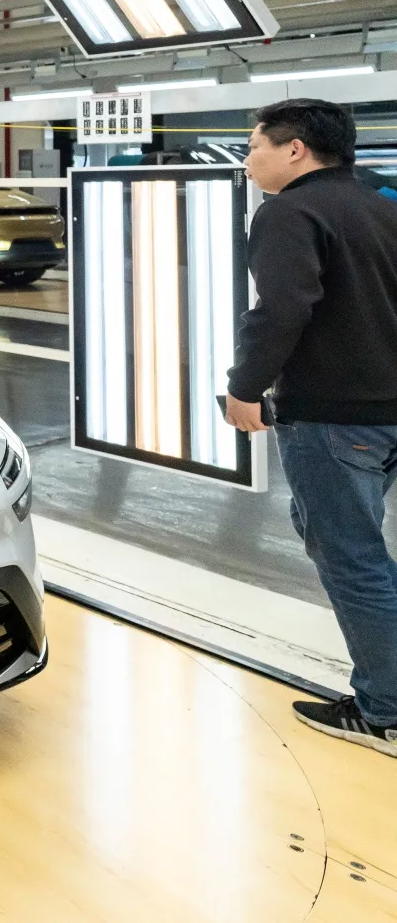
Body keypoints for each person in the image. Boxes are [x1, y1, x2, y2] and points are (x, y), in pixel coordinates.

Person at [226, 98, 397, 758]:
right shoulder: (381, 205)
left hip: (333, 414)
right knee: (359, 553)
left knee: (351, 559)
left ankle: (385, 712)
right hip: (384, 409)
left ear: (294, 149)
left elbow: (282, 310)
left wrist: (245, 389)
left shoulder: (289, 213)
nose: (248, 159)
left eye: (253, 145)